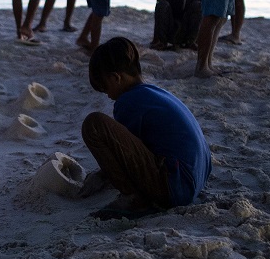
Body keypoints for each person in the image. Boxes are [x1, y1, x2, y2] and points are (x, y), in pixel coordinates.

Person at [79, 37, 211, 220]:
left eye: (105, 88)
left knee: (94, 125)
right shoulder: (153, 93)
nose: (108, 96)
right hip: (195, 180)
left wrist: (103, 176)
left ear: (116, 78)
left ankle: (134, 200)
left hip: (176, 186)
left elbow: (123, 155)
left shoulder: (128, 102)